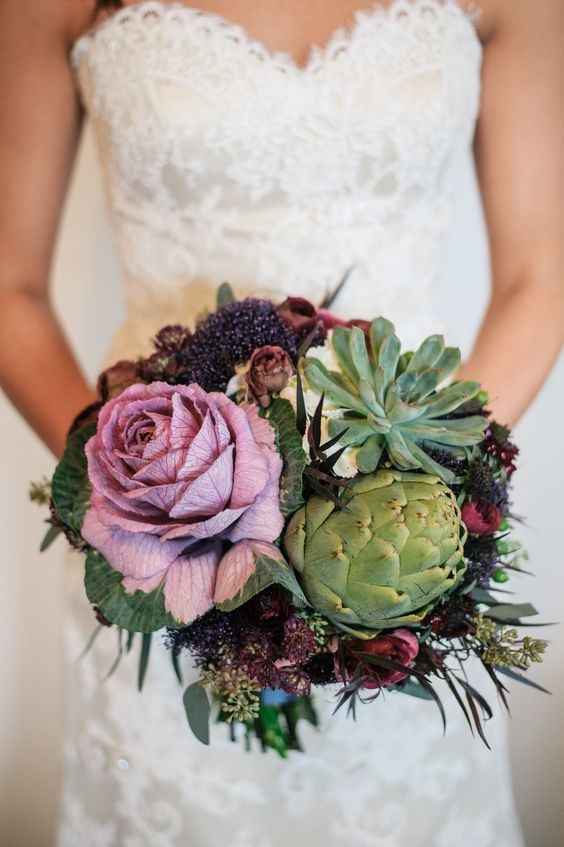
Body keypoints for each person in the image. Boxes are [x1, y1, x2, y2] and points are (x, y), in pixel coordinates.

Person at [1, 1, 562, 844]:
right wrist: (144, 499)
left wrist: (421, 497)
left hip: (389, 554)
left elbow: (542, 277)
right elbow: (10, 287)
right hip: (163, 548)